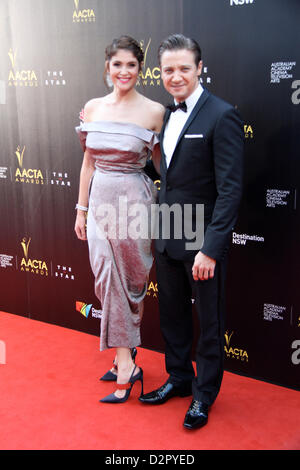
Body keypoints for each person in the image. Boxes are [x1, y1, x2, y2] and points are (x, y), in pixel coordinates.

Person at [140, 34, 244, 429]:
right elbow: (167, 175)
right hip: (167, 236)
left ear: (200, 68)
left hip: (202, 244)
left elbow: (231, 189)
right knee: (172, 317)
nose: (176, 76)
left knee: (209, 323)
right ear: (161, 73)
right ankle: (179, 378)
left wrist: (212, 249)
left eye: (184, 68)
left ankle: (204, 395)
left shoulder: (222, 115)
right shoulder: (166, 115)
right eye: (168, 69)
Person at [74, 35, 164, 403]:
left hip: (134, 203)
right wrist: (80, 208)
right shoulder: (92, 108)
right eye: (117, 64)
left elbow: (163, 165)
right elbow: (88, 163)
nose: (124, 71)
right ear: (107, 68)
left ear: (141, 70)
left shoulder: (155, 111)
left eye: (131, 65)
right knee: (105, 277)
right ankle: (128, 364)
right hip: (99, 200)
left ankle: (122, 358)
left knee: (130, 282)